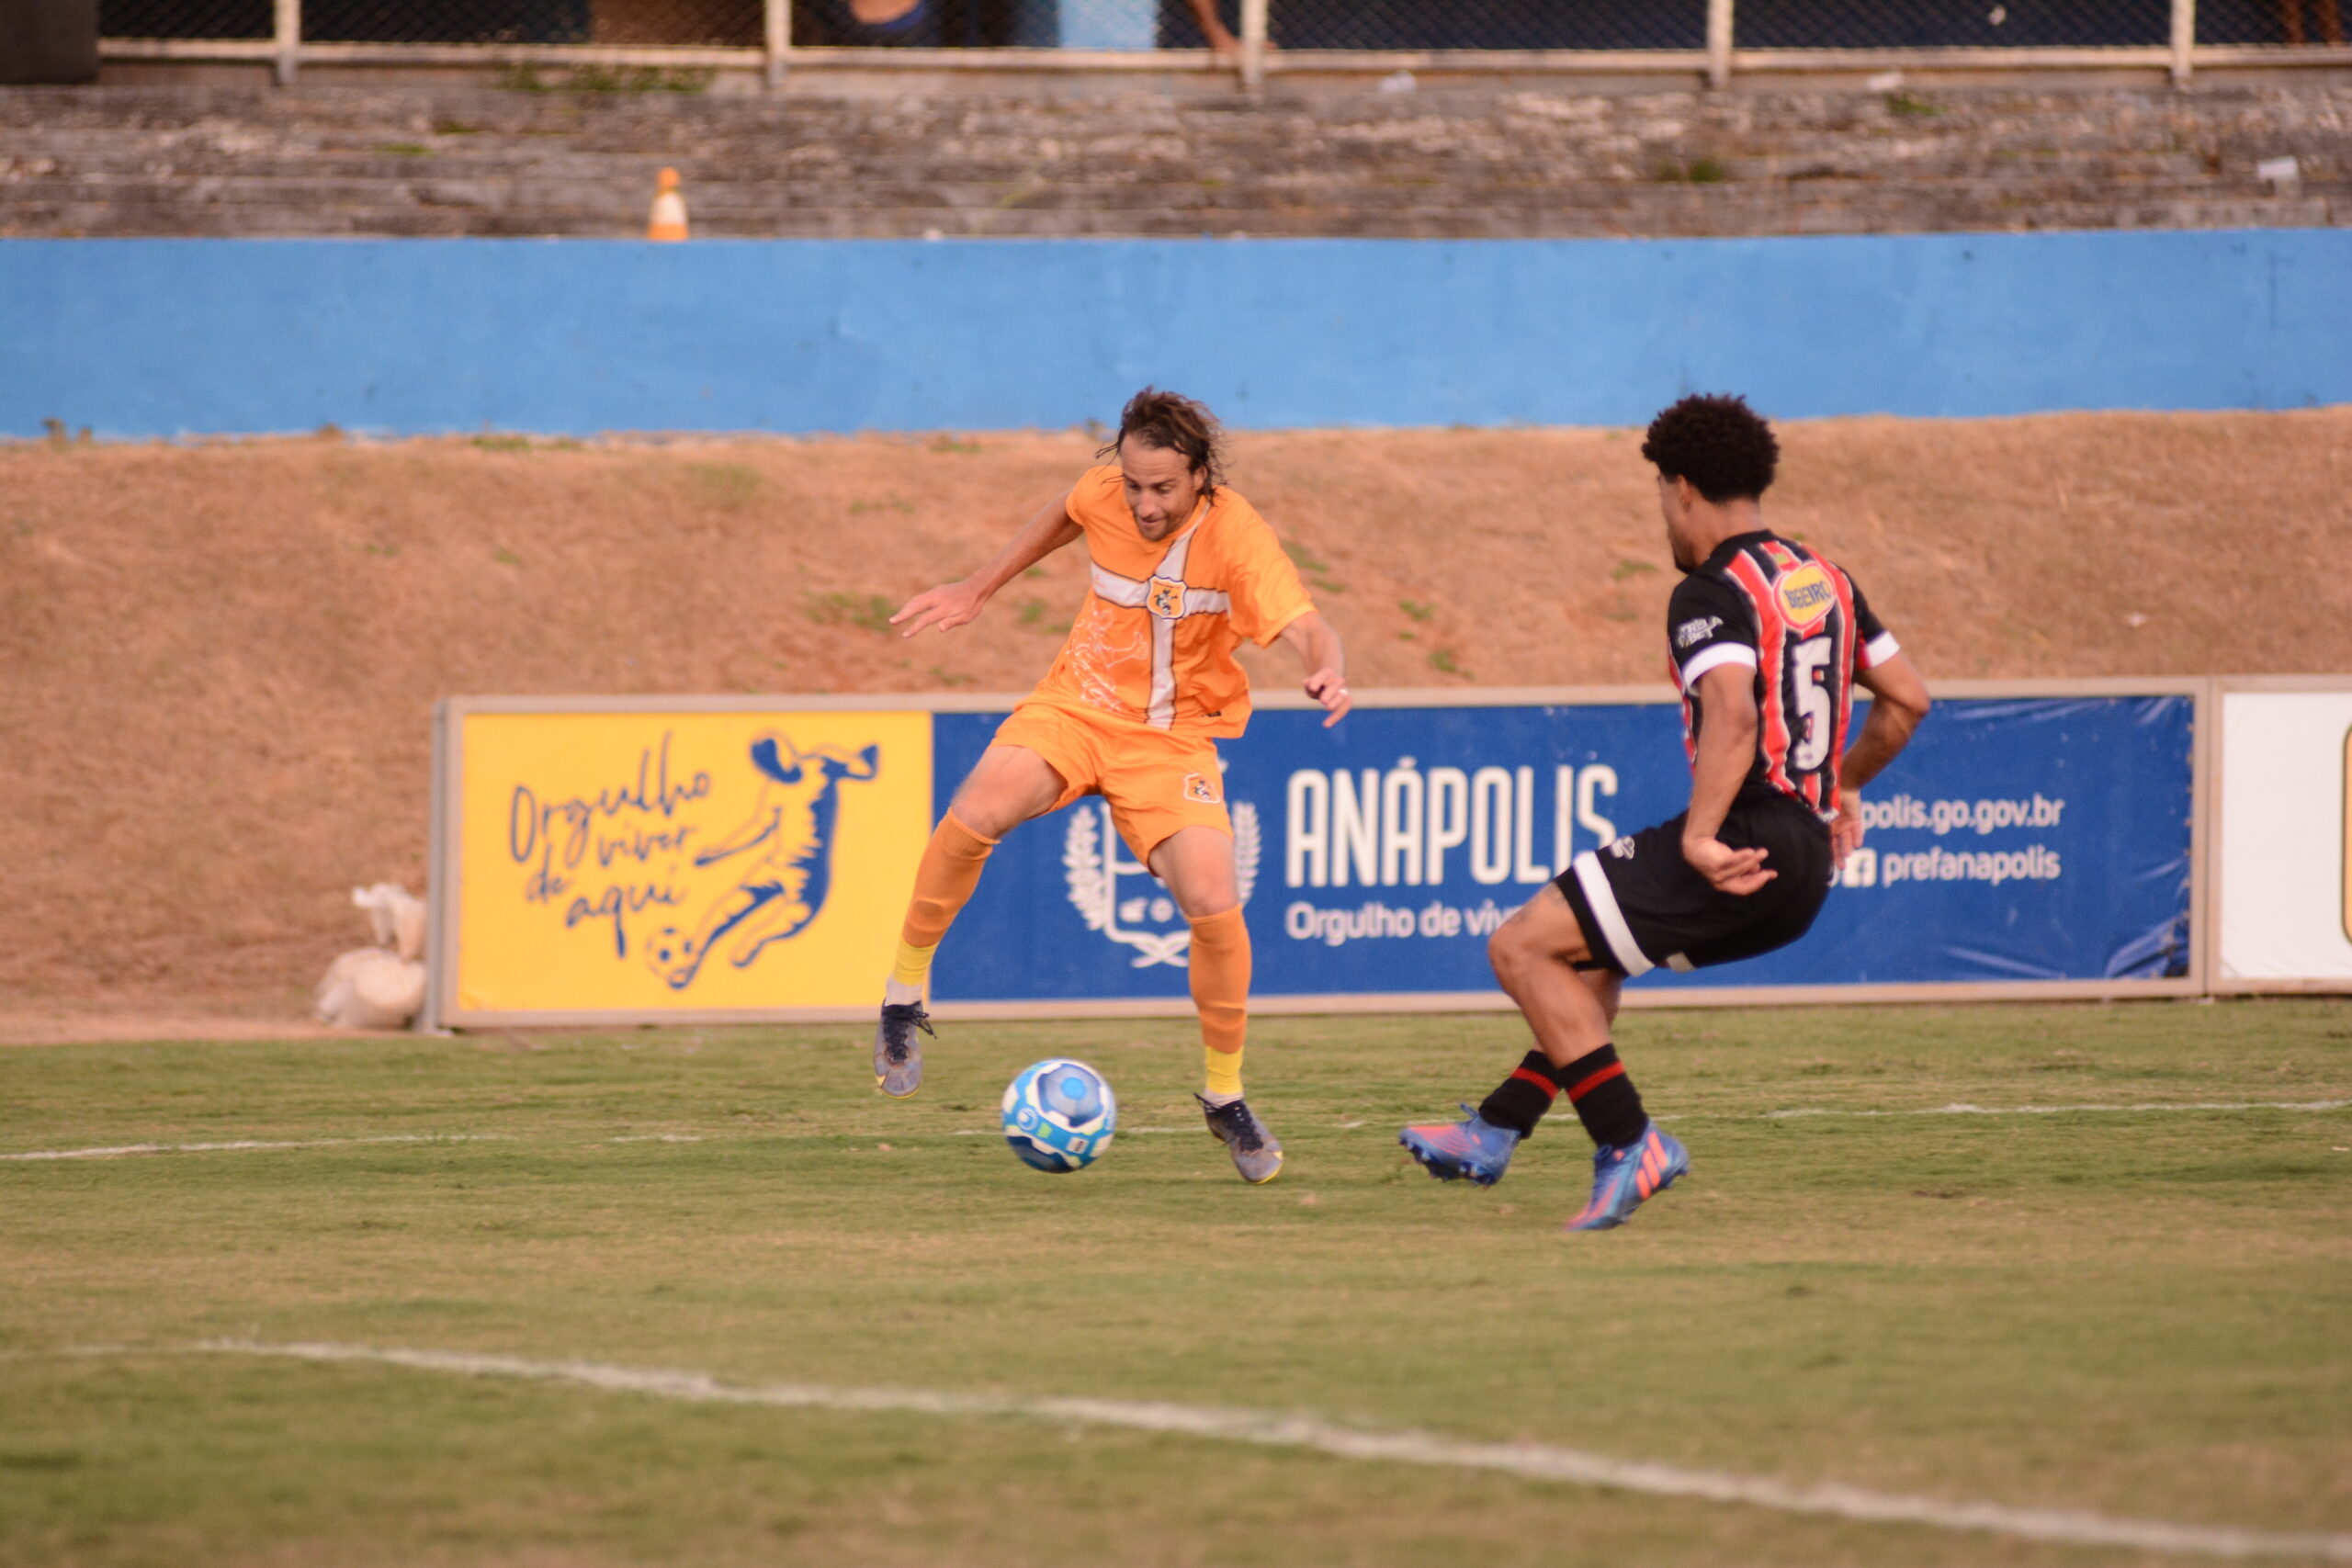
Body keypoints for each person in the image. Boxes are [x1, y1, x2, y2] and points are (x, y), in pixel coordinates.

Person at [1399, 393, 1930, 1231]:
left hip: (1742, 839)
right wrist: (1842, 787)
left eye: (1659, 495)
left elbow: (1734, 710)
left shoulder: (1710, 591)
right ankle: (1496, 1128)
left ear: (1681, 488)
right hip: (1803, 867)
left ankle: (1629, 1142)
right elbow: (1906, 701)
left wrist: (1699, 833)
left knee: (1520, 946)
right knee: (1588, 968)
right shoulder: (1827, 580)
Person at [876, 388, 1351, 1184]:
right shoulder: (1107, 493)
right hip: (1075, 707)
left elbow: (1305, 622)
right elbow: (1064, 512)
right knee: (972, 812)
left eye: (1162, 488)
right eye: (1132, 484)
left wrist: (1324, 665)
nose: (1143, 502)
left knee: (1213, 902)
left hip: (1169, 741)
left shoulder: (1237, 536)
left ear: (1200, 475)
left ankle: (1225, 1095)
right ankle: (901, 995)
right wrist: (978, 587)